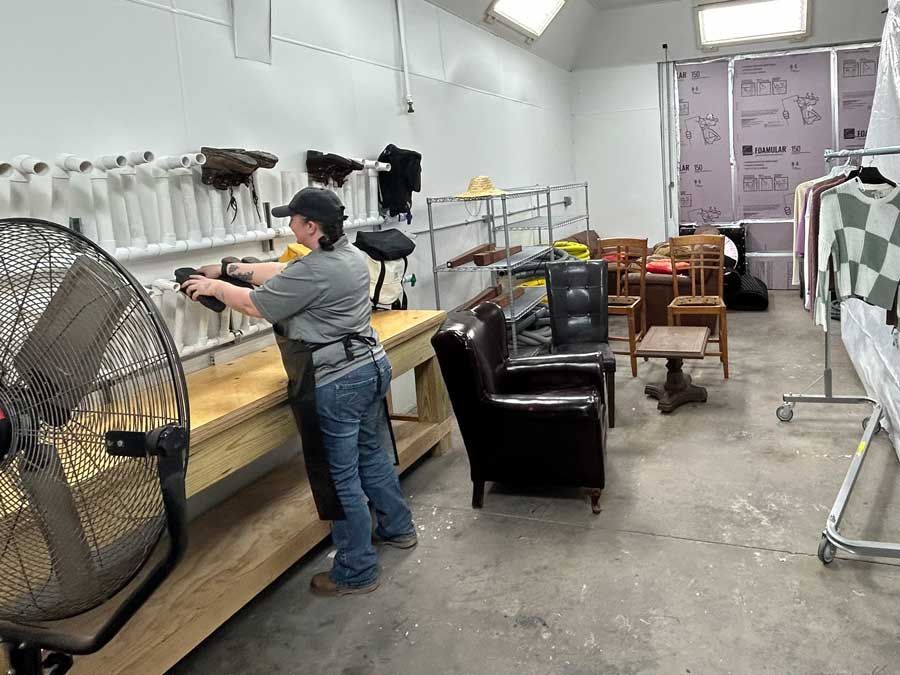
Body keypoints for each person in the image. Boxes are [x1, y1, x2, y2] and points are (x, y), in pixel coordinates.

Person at [182, 187, 416, 596]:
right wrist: (230, 269)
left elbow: (257, 305)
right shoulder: (348, 256)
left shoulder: (318, 269)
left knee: (339, 478)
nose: (288, 224)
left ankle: (356, 571)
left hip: (338, 380)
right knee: (371, 455)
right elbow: (283, 273)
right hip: (369, 366)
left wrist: (213, 288)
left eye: (292, 219)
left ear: (310, 226)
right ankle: (398, 528)